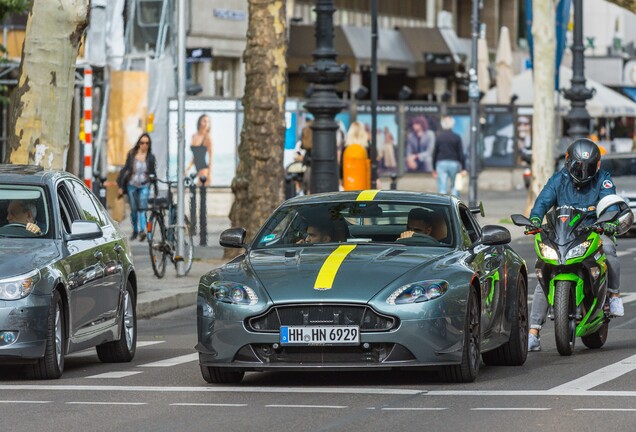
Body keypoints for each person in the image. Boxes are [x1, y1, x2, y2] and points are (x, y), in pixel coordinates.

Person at [527, 138, 624, 352]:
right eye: (578, 166)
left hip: (593, 231)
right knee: (545, 271)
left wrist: (609, 222)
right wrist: (535, 219)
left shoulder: (603, 180)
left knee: (608, 250)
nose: (582, 172)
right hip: (562, 234)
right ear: (568, 162)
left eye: (588, 167)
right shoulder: (557, 180)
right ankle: (533, 333)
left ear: (597, 165)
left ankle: (614, 295)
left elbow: (610, 202)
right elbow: (543, 201)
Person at [117, 133, 156, 241]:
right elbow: (125, 170)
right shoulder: (132, 154)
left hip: (144, 185)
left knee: (142, 209)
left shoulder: (150, 157)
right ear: (139, 143)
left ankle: (142, 230)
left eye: (147, 143)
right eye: (142, 143)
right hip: (132, 185)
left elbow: (153, 173)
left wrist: (155, 186)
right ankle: (135, 230)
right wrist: (121, 186)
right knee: (134, 209)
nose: (144, 145)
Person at [432, 116, 467, 196]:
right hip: (454, 163)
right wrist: (463, 168)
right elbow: (460, 153)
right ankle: (455, 204)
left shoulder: (439, 137)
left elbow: (435, 153)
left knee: (442, 187)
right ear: (452, 124)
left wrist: (434, 168)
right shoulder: (456, 137)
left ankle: (442, 203)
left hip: (441, 163)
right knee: (454, 186)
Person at [186, 114, 213, 186]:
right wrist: (187, 169)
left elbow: (211, 157)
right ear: (199, 122)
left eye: (208, 122)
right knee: (194, 191)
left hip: (204, 169)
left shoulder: (207, 137)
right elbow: (194, 157)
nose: (206, 124)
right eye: (204, 121)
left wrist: (209, 174)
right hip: (197, 169)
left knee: (202, 193)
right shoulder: (194, 136)